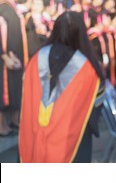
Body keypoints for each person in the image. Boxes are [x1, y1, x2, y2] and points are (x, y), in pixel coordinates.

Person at [19, 11, 105, 162]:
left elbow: (26, 101)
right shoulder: (88, 68)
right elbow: (94, 111)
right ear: (81, 34)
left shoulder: (35, 60)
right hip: (74, 143)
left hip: (33, 138)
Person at [0, 0, 28, 135]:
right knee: (3, 91)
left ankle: (7, 123)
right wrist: (5, 55)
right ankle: (1, 125)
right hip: (5, 60)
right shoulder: (4, 8)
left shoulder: (10, 8)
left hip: (12, 57)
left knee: (11, 91)